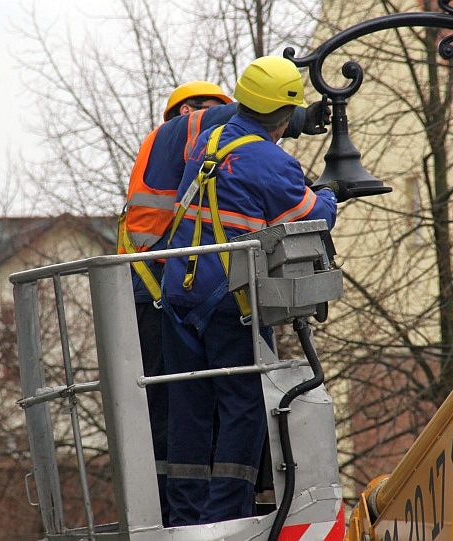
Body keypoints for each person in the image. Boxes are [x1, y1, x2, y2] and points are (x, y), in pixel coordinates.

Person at [117, 79, 329, 525]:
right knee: (244, 401)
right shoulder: (231, 142)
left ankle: (184, 514)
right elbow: (308, 214)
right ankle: (229, 512)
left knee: (185, 406)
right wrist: (327, 192)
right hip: (225, 295)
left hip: (174, 291)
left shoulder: (202, 146)